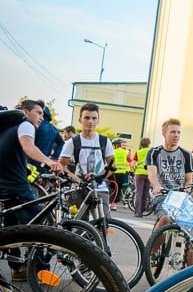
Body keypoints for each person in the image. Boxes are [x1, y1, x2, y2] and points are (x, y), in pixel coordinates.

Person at [0, 102, 64, 279]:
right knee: (39, 226)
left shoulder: (6, 131)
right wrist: (50, 162)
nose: (42, 117)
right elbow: (29, 148)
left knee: (11, 228)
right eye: (38, 113)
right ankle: (40, 270)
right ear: (26, 112)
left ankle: (18, 268)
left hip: (4, 187)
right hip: (17, 187)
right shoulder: (25, 124)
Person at [59, 103, 114, 209]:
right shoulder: (73, 142)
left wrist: (99, 177)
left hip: (100, 188)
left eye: (94, 118)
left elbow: (112, 166)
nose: (90, 121)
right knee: (80, 224)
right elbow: (61, 165)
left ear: (98, 120)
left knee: (104, 222)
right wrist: (77, 179)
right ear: (80, 120)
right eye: (87, 118)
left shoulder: (104, 141)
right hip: (79, 189)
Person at [146, 119, 193, 233]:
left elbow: (188, 180)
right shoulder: (154, 152)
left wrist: (187, 191)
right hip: (162, 194)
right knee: (165, 219)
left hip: (180, 196)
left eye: (178, 132)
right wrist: (157, 186)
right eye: (173, 132)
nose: (176, 135)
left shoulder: (186, 154)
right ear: (164, 133)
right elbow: (152, 174)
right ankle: (150, 250)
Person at [130, 137, 152, 216]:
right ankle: (142, 211)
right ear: (149, 144)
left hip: (139, 173)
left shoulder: (138, 152)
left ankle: (137, 212)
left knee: (139, 192)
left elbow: (132, 163)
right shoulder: (151, 151)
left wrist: (133, 169)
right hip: (149, 174)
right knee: (145, 193)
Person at [111, 138, 130, 209]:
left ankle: (111, 203)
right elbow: (129, 160)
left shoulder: (113, 151)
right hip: (122, 173)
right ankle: (114, 204)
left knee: (112, 188)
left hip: (114, 172)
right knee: (118, 189)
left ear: (115, 145)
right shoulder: (126, 152)